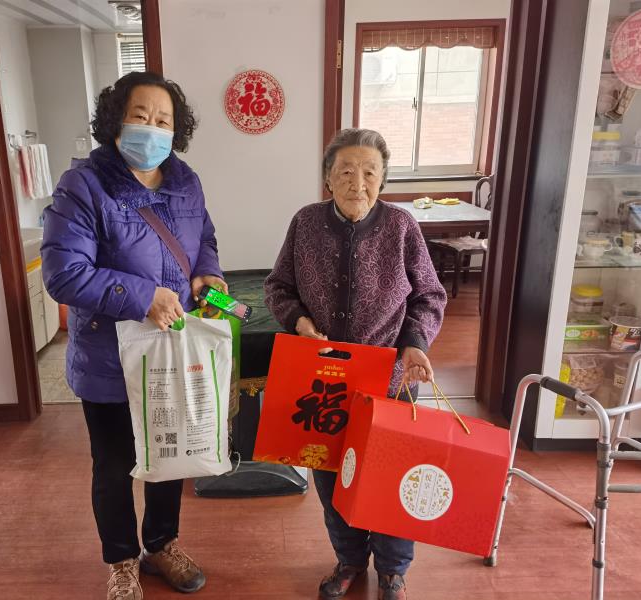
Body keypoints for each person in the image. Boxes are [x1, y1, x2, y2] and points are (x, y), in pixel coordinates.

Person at [41, 71, 226, 600]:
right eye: (140, 116)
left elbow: (204, 239)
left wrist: (207, 274)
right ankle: (121, 560)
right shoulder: (83, 185)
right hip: (109, 358)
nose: (152, 128)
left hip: (172, 351)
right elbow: (64, 275)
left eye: (163, 120)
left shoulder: (186, 181)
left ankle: (161, 545)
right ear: (115, 121)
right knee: (114, 465)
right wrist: (144, 296)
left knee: (170, 452)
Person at [264, 128, 447, 600]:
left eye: (369, 172)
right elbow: (278, 286)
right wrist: (299, 321)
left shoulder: (401, 226)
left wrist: (415, 343)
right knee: (332, 475)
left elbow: (429, 295)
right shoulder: (305, 223)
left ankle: (392, 569)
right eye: (345, 171)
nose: (357, 182)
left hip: (391, 377)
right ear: (328, 178)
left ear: (382, 180)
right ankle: (349, 559)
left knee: (390, 476)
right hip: (325, 380)